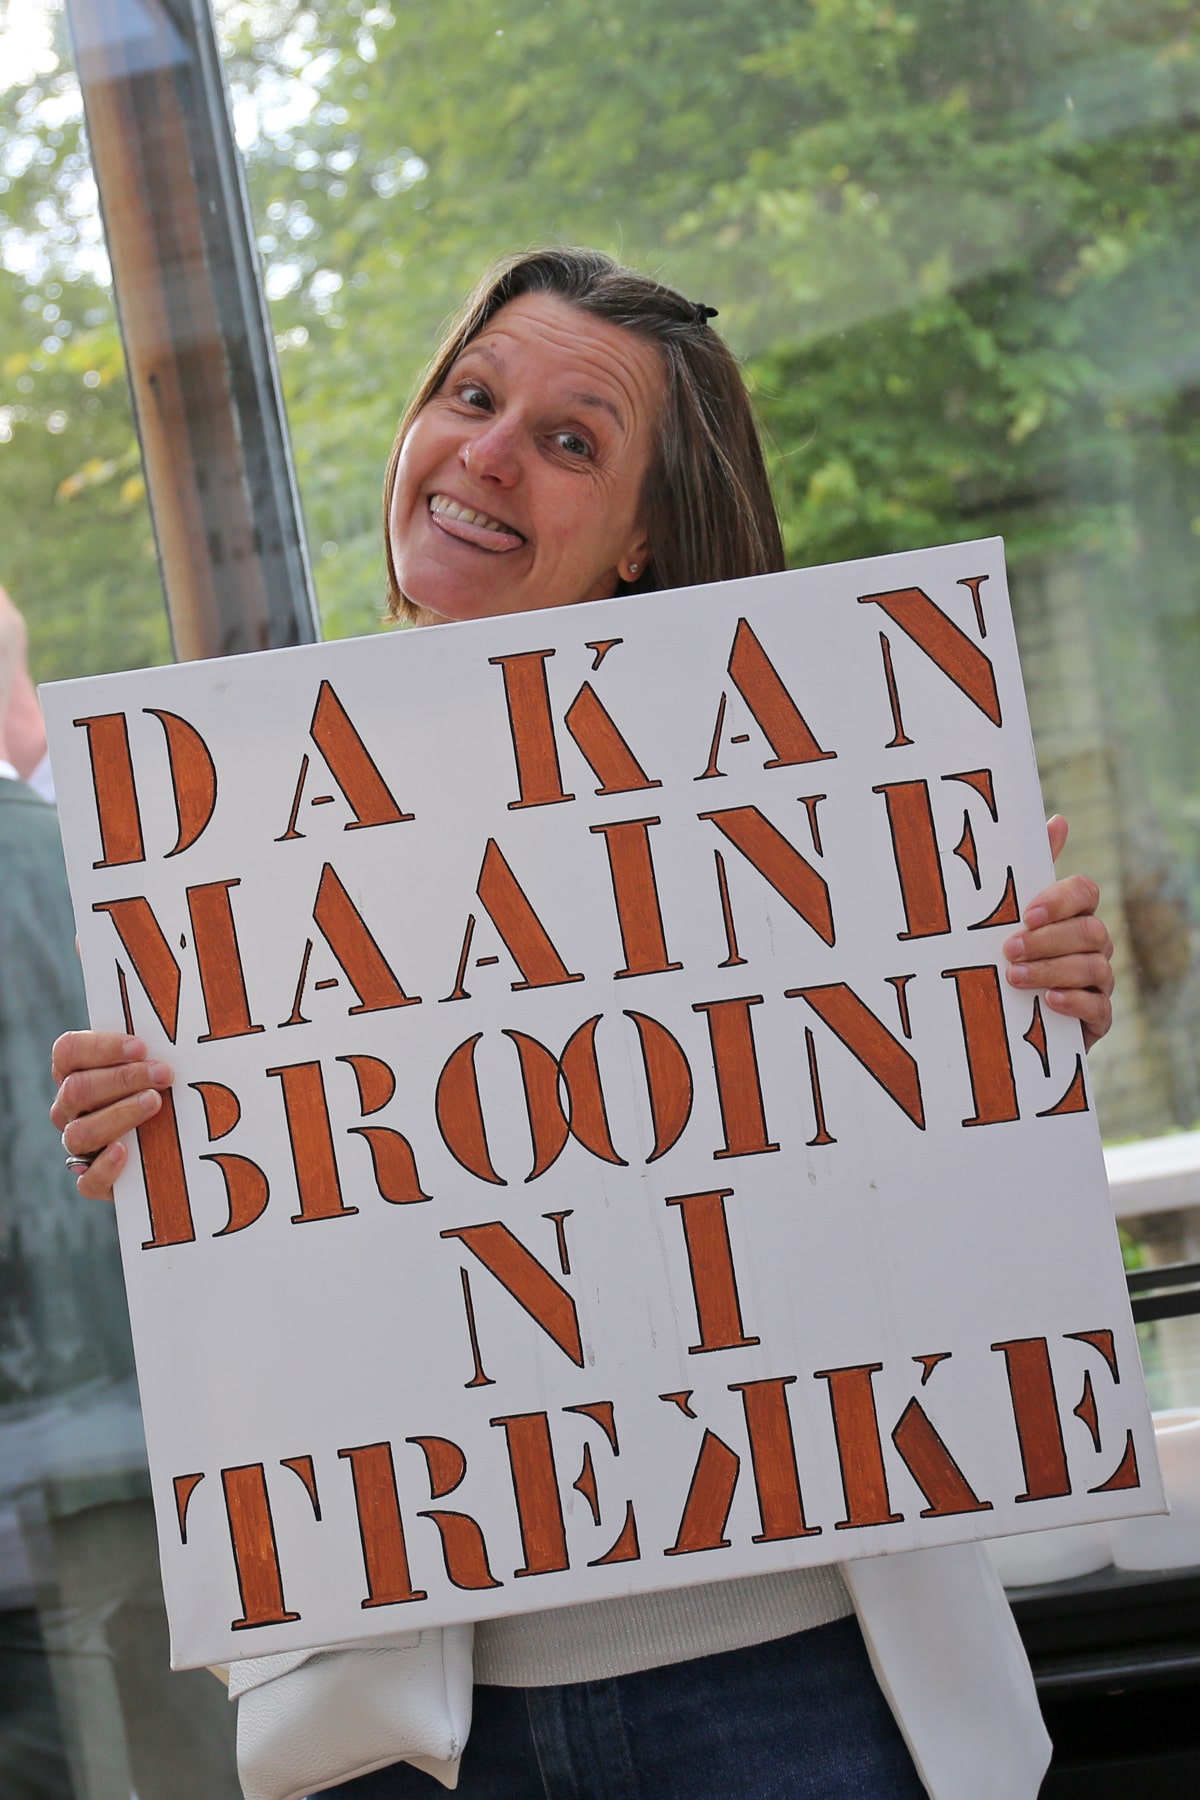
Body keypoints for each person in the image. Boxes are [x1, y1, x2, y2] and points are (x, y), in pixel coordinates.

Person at [50, 249, 1116, 1799]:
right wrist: (157, 1142)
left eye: (570, 439)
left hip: (798, 1700)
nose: (488, 454)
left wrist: (1012, 1007)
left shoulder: (820, 803)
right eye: (472, 396)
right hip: (422, 1742)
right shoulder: (240, 844)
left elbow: (892, 1215)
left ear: (643, 538)